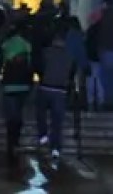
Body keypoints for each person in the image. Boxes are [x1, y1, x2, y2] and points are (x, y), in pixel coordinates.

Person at [0, 24, 33, 165]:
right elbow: (30, 65)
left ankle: (10, 143)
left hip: (9, 84)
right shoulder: (27, 45)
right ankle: (16, 140)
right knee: (18, 114)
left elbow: (0, 63)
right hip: (22, 85)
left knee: (10, 116)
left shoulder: (6, 45)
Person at [34, 29, 77, 160]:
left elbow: (39, 67)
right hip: (60, 90)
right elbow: (71, 73)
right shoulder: (69, 56)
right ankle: (56, 148)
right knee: (57, 121)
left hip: (46, 87)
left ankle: (43, 134)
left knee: (40, 112)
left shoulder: (46, 53)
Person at [91, 0, 113, 109]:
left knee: (105, 78)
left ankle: (107, 100)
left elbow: (99, 35)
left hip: (105, 50)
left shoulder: (103, 18)